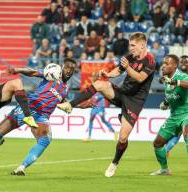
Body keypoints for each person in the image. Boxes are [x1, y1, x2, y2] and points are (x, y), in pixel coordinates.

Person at [57, 32, 156, 177]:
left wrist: (128, 67)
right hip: (122, 93)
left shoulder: (150, 60)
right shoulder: (130, 57)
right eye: (130, 45)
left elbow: (140, 78)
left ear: (142, 45)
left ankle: (114, 163)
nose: (131, 48)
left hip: (135, 101)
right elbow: (118, 70)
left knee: (122, 138)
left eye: (133, 45)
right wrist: (108, 74)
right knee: (100, 84)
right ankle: (70, 105)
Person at [0, 58, 76, 176]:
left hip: (42, 116)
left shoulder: (65, 89)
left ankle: (21, 167)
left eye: (72, 69)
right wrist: (18, 69)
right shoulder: (52, 74)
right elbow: (33, 72)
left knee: (45, 140)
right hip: (28, 107)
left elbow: (64, 103)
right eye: (67, 68)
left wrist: (82, 105)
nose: (69, 71)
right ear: (62, 67)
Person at [150, 54, 188, 176]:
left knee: (187, 133)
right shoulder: (166, 80)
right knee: (158, 143)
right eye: (163, 64)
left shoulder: (181, 76)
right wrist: (166, 103)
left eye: (167, 64)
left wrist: (174, 81)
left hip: (186, 113)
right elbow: (171, 97)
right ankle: (164, 169)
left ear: (175, 65)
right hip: (174, 116)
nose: (163, 66)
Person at [164, 55, 188, 157]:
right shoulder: (172, 76)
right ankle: (165, 151)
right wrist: (166, 103)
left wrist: (176, 82)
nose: (184, 64)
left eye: (186, 62)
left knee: (185, 132)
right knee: (177, 133)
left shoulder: (181, 77)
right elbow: (171, 94)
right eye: (182, 62)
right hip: (178, 110)